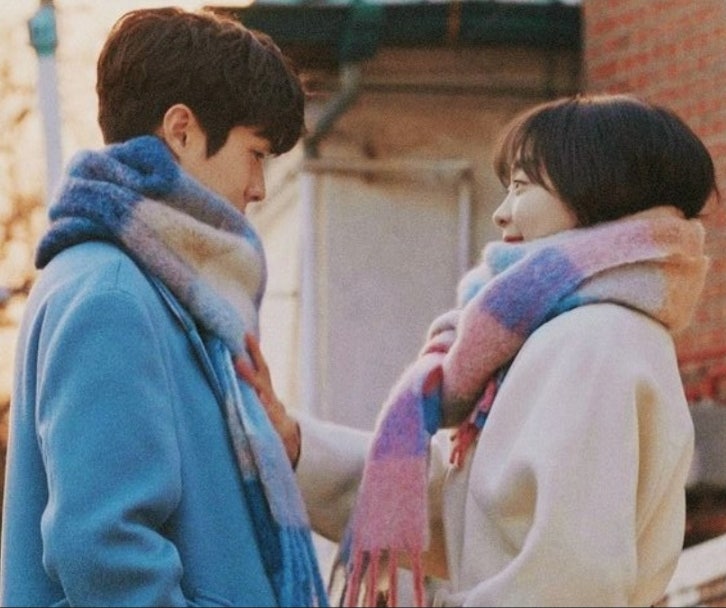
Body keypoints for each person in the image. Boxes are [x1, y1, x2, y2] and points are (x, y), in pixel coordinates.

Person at [240, 93, 720, 607]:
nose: (501, 213)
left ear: (597, 192)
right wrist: (296, 446)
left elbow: (569, 582)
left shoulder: (595, 341)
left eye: (522, 187)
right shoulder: (566, 336)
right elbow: (466, 516)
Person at [0, 7, 328, 607]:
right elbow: (103, 547)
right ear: (181, 131)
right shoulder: (112, 296)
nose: (259, 187)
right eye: (255, 152)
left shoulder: (145, 286)